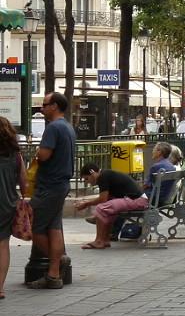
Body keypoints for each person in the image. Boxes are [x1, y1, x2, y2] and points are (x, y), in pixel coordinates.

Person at [28, 92, 76, 289]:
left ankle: (57, 264)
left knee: (36, 227)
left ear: (55, 106)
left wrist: (38, 153)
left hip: (49, 185)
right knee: (53, 228)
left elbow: (44, 155)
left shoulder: (53, 128)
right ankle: (54, 275)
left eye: (45, 104)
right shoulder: (68, 127)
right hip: (61, 184)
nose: (42, 108)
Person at [75, 163, 148, 249]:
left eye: (87, 179)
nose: (87, 182)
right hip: (138, 200)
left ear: (92, 172)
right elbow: (107, 198)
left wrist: (86, 204)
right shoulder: (106, 174)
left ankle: (99, 241)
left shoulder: (103, 177)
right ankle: (105, 240)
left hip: (136, 200)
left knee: (101, 209)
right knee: (106, 210)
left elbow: (103, 199)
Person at [0, 116, 27, 298]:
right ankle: (0, 287)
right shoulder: (15, 155)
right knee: (2, 245)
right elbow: (24, 183)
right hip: (7, 204)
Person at [146, 142, 177, 206]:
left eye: (154, 149)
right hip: (165, 198)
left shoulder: (155, 167)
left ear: (159, 152)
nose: (152, 151)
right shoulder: (172, 166)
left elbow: (146, 185)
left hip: (153, 199)